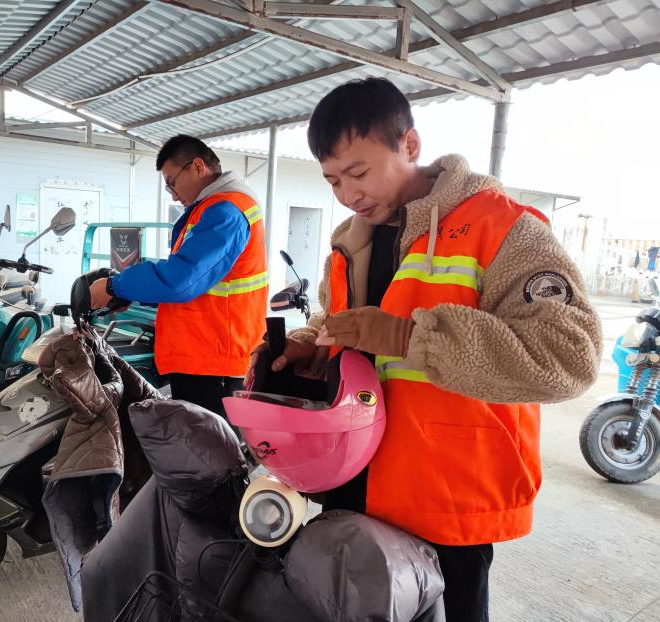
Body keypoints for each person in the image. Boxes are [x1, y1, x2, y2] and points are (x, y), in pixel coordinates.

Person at [247, 77, 602, 621]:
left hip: (446, 497)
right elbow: (339, 322)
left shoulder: (503, 228)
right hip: (350, 481)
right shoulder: (351, 239)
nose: (347, 194)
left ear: (409, 145)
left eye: (359, 172)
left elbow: (569, 358)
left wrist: (408, 337)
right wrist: (309, 347)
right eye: (333, 180)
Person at [90, 134, 268, 417]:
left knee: (208, 444)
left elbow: (182, 279)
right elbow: (196, 281)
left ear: (197, 166)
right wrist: (129, 293)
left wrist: (114, 286)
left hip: (215, 363)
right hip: (204, 356)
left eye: (172, 182)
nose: (173, 194)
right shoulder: (210, 209)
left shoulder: (226, 211)